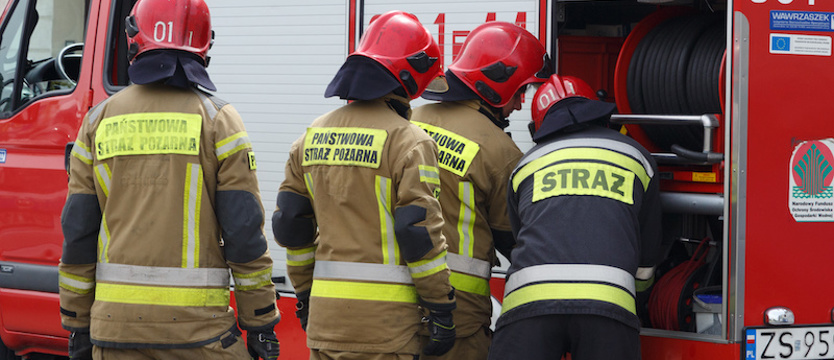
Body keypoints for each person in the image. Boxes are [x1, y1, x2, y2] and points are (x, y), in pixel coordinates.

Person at [58, 0, 280, 359]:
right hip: (200, 334)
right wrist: (261, 323)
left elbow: (78, 232)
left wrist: (77, 323)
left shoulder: (96, 123)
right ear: (205, 46)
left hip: (115, 331)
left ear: (135, 39)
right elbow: (244, 234)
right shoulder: (219, 121)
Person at [272, 10, 456, 360]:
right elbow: (418, 231)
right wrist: (441, 306)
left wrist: (306, 295)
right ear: (408, 79)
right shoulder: (409, 141)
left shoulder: (311, 136)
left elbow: (291, 226)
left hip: (326, 324)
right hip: (389, 330)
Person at [488, 75, 663, 360]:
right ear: (597, 111)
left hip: (529, 303)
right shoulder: (637, 157)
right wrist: (637, 299)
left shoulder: (525, 165)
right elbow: (648, 249)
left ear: (539, 127)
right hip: (609, 305)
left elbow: (519, 235)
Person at [410, 22, 550, 360]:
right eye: (519, 92)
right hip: (460, 315)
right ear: (496, 86)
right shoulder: (500, 152)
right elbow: (516, 240)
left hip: (396, 307)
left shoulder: (410, 120)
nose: (519, 105)